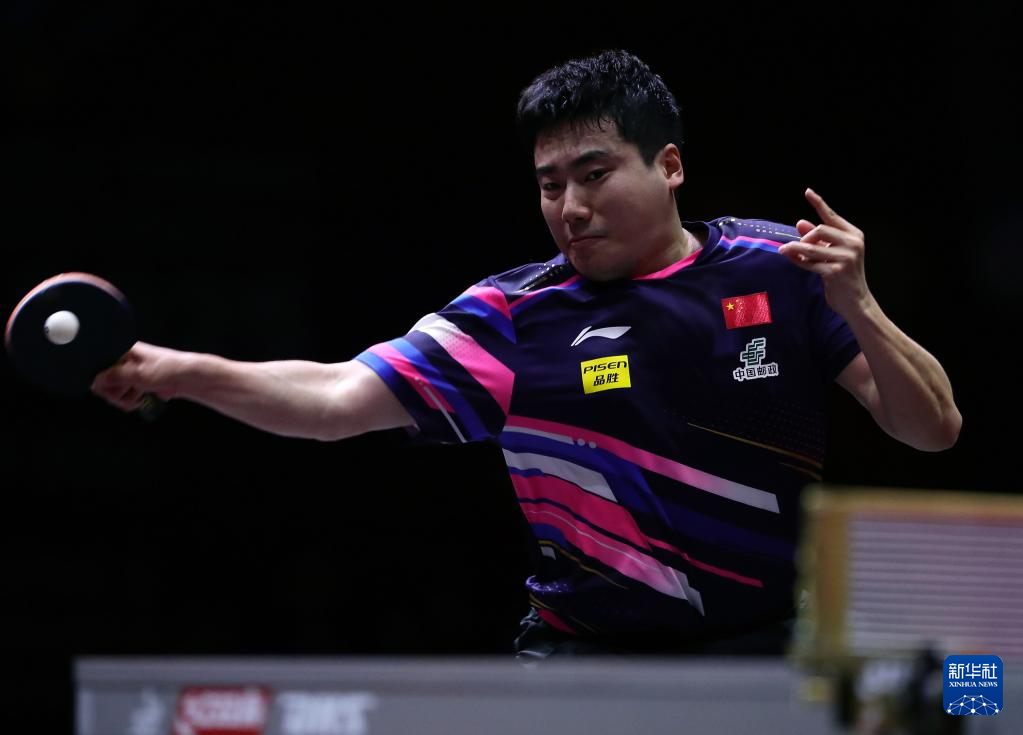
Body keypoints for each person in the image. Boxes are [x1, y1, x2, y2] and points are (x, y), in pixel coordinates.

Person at [91, 49, 961, 658]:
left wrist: (858, 302)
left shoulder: (779, 266)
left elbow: (932, 429)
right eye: (550, 185)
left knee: (970, 692)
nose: (569, 207)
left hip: (768, 644)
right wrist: (176, 370)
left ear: (668, 165)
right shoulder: (513, 317)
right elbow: (333, 398)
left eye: (594, 174)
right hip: (587, 656)